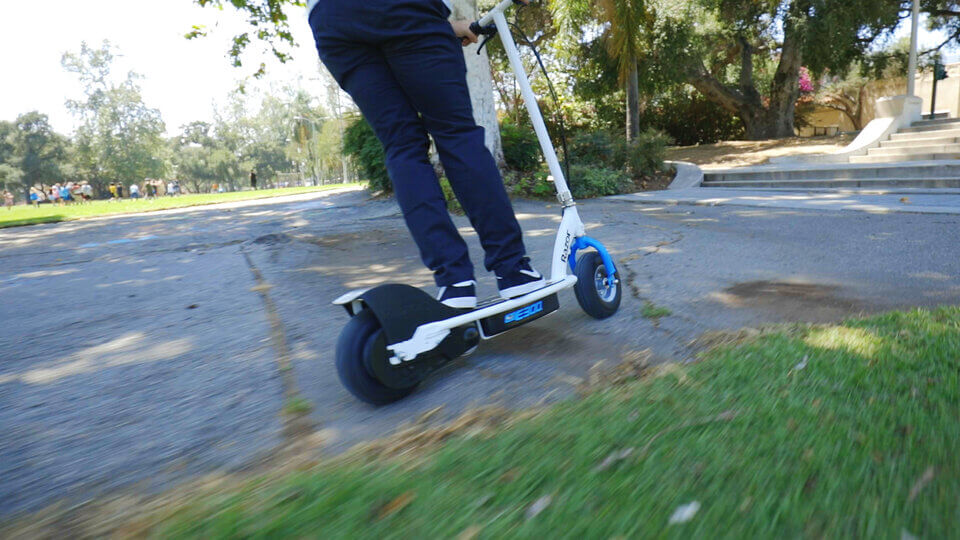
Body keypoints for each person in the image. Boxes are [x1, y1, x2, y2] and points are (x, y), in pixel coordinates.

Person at [307, 0, 542, 308]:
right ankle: (514, 273)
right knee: (456, 135)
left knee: (402, 146)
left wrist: (445, 27)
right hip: (407, 9)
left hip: (333, 19)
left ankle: (454, 283)